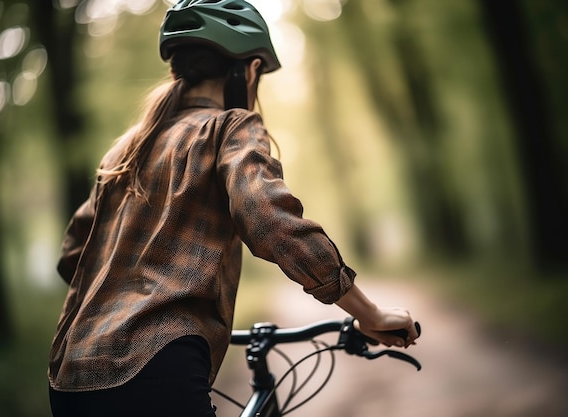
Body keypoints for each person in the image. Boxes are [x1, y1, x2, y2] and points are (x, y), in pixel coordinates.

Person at [47, 1, 420, 416]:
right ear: (250, 69)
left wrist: (125, 302)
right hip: (156, 374)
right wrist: (368, 313)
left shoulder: (128, 145)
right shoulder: (231, 126)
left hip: (71, 375)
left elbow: (73, 257)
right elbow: (272, 222)